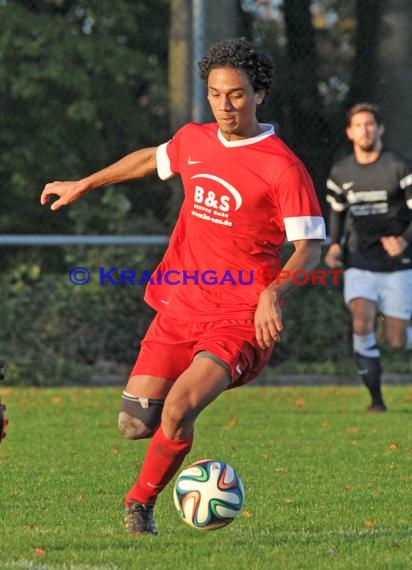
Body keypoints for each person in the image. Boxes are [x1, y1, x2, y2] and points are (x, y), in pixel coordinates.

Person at [40, 38, 325, 535]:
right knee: (134, 424)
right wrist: (83, 183)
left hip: (238, 317)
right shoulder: (194, 139)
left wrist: (272, 293)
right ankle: (174, 454)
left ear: (259, 95)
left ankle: (139, 505)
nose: (224, 105)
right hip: (179, 306)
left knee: (179, 407)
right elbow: (152, 159)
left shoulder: (282, 166)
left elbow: (310, 249)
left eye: (236, 94)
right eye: (215, 93)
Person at [324, 102, 412, 413]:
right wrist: (334, 245)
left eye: (370, 124)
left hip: (397, 266)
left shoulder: (399, 166)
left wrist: (403, 239)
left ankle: (398, 333)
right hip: (359, 261)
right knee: (361, 321)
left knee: (397, 340)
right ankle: (376, 401)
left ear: (380, 129)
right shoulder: (341, 172)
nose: (365, 129)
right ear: (350, 132)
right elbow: (337, 213)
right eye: (358, 125)